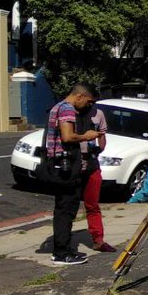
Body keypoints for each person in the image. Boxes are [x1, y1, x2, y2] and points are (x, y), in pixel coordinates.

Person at [44, 83, 101, 265]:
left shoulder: (57, 106)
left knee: (63, 208)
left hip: (57, 165)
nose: (88, 106)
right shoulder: (68, 109)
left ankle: (63, 249)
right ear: (79, 96)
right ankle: (62, 253)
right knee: (66, 209)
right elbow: (68, 137)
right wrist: (87, 136)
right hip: (65, 167)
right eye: (88, 101)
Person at [78, 87, 115, 252]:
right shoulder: (71, 113)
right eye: (89, 101)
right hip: (74, 163)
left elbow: (102, 137)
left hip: (92, 163)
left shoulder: (98, 114)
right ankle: (63, 244)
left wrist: (99, 149)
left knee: (92, 204)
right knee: (69, 205)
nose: (90, 105)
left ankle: (98, 239)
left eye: (93, 102)